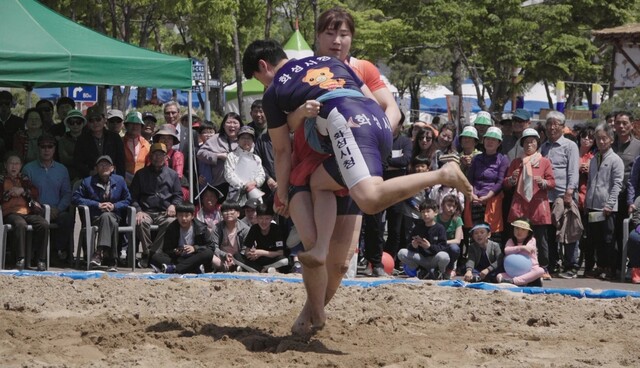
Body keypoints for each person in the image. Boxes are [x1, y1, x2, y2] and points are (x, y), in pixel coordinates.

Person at [503, 128, 555, 275]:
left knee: (540, 239)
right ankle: (516, 266)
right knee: (516, 237)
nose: (528, 145)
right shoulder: (516, 162)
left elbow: (552, 182)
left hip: (538, 206)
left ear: (537, 144)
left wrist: (543, 182)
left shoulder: (544, 162)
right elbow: (506, 183)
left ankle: (543, 267)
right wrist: (512, 179)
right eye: (525, 142)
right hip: (520, 206)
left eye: (532, 142)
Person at [72, 155, 131, 272]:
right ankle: (112, 260)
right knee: (108, 219)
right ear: (96, 168)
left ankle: (98, 252)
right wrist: (97, 205)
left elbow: (128, 199)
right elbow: (75, 198)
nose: (104, 167)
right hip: (95, 217)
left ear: (112, 168)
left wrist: (114, 206)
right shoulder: (87, 182)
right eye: (101, 165)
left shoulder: (120, 181)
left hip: (115, 215)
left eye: (107, 165)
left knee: (108, 216)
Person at [22, 134, 73, 264]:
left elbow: (67, 193)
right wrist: (36, 207)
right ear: (38, 148)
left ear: (55, 149)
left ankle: (56, 251)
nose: (46, 150)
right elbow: (26, 192)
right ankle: (36, 254)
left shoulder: (62, 170)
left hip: (56, 210)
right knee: (38, 222)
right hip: (35, 210)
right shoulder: (28, 168)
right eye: (43, 146)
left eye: (50, 146)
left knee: (67, 219)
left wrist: (58, 208)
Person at [540, 111, 580, 279]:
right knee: (549, 234)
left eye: (555, 124)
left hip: (564, 195)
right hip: (545, 197)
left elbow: (573, 171)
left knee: (568, 231)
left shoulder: (570, 146)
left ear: (563, 127)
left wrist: (570, 192)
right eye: (549, 124)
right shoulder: (543, 146)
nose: (552, 127)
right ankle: (553, 263)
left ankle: (572, 265)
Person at [130, 142, 182, 266]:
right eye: (155, 154)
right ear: (150, 157)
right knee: (141, 222)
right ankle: (150, 253)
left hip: (164, 213)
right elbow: (132, 197)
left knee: (170, 222)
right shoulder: (140, 174)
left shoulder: (172, 175)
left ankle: (151, 254)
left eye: (161, 154)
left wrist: (173, 205)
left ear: (166, 157)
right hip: (146, 211)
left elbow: (178, 195)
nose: (158, 157)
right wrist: (138, 210)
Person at [584, 123, 624, 280]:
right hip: (593, 206)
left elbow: (617, 184)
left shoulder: (615, 160)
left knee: (608, 239)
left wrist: (610, 203)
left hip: (607, 208)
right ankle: (599, 266)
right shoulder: (594, 159)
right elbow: (589, 182)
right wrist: (587, 202)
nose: (601, 142)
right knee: (596, 239)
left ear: (611, 140)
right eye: (598, 139)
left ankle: (610, 269)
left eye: (604, 139)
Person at [0, 153, 49, 271]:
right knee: (20, 224)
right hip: (9, 213)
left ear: (21, 166)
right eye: (11, 163)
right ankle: (20, 259)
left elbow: (35, 192)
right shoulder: (1, 179)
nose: (14, 166)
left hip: (27, 212)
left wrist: (22, 190)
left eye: (17, 164)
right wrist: (9, 193)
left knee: (43, 224)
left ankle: (41, 259)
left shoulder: (24, 179)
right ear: (6, 165)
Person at [464, 126, 508, 243]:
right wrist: (473, 195)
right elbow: (470, 180)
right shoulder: (476, 158)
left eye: (493, 139)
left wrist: (488, 196)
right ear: (483, 140)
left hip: (492, 200)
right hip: (475, 199)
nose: (490, 142)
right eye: (488, 139)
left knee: (492, 232)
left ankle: (491, 259)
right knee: (476, 232)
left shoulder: (502, 159)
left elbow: (500, 182)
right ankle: (475, 258)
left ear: (499, 143)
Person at [151, 201, 215, 274]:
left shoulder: (201, 228)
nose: (184, 218)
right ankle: (193, 269)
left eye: (187, 215)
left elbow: (211, 247)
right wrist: (175, 251)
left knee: (208, 253)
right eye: (180, 215)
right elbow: (167, 249)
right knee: (155, 257)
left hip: (195, 257)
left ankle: (175, 269)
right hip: (179, 258)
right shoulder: (172, 228)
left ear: (192, 216)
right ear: (176, 216)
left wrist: (195, 248)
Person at [397, 198, 449, 280]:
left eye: (428, 211)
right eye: (423, 212)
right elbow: (408, 245)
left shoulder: (440, 228)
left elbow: (443, 247)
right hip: (421, 259)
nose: (425, 214)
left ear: (435, 212)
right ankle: (419, 271)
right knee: (401, 253)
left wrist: (429, 247)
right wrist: (413, 246)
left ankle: (440, 272)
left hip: (434, 258)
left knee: (444, 256)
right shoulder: (418, 227)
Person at [73, 105, 126, 179]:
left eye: (98, 119)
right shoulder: (82, 140)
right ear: (87, 122)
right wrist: (89, 172)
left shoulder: (115, 138)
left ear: (104, 120)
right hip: (90, 179)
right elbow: (77, 162)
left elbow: (121, 162)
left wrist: (120, 180)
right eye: (91, 120)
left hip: (112, 178)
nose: (95, 123)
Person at [197, 112, 243, 197]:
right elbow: (200, 153)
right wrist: (218, 156)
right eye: (228, 122)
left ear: (240, 125)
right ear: (223, 125)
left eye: (235, 123)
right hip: (218, 184)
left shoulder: (244, 139)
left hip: (239, 184)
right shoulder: (216, 138)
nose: (232, 125)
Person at [236, 203, 288, 272]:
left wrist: (261, 252)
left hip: (272, 258)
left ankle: (254, 269)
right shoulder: (254, 228)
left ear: (272, 218)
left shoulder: (276, 229)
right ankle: (263, 269)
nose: (264, 222)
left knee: (284, 260)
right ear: (257, 218)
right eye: (261, 218)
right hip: (257, 258)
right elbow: (246, 251)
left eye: (267, 218)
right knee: (236, 256)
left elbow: (280, 253)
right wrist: (251, 254)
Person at [223, 125, 265, 206]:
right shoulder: (231, 156)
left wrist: (254, 183)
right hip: (235, 195)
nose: (246, 140)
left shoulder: (256, 158)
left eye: (249, 138)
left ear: (253, 141)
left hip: (254, 193)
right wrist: (244, 186)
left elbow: (262, 175)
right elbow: (229, 175)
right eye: (243, 138)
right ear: (238, 140)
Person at [496, 218, 545, 285]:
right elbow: (507, 250)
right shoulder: (511, 241)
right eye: (517, 228)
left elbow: (528, 251)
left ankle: (514, 281)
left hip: (530, 269)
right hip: (513, 271)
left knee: (540, 270)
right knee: (499, 276)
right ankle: (522, 281)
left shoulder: (532, 240)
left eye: (523, 229)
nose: (519, 232)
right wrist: (521, 247)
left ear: (528, 233)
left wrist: (517, 249)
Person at [211, 200, 250, 272]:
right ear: (221, 214)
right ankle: (224, 267)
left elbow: (245, 249)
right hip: (221, 258)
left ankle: (236, 267)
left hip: (239, 258)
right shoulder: (216, 228)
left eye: (231, 210)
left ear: (238, 213)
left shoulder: (245, 229)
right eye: (225, 211)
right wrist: (224, 255)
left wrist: (235, 259)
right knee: (209, 255)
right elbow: (214, 247)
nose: (228, 213)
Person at [153, 126, 189, 200]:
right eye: (163, 138)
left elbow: (177, 177)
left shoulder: (177, 155)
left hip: (175, 188)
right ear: (158, 140)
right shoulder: (152, 154)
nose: (166, 141)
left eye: (169, 138)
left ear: (173, 141)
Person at [435, 194, 463, 278]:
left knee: (455, 248)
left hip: (448, 246)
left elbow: (457, 240)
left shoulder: (457, 219)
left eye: (454, 206)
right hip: (436, 246)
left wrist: (443, 242)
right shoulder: (435, 219)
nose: (451, 208)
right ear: (442, 205)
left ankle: (450, 268)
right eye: (449, 205)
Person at [123, 111, 151, 186]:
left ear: (141, 126)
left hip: (142, 182)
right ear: (126, 125)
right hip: (122, 181)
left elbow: (149, 166)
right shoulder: (119, 142)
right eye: (131, 123)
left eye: (137, 124)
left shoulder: (146, 144)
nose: (134, 126)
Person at [57, 109, 86, 182]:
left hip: (86, 176)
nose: (75, 125)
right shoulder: (62, 141)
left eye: (78, 122)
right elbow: (64, 159)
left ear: (83, 123)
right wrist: (82, 159)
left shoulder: (89, 139)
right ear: (68, 124)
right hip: (67, 177)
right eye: (72, 122)